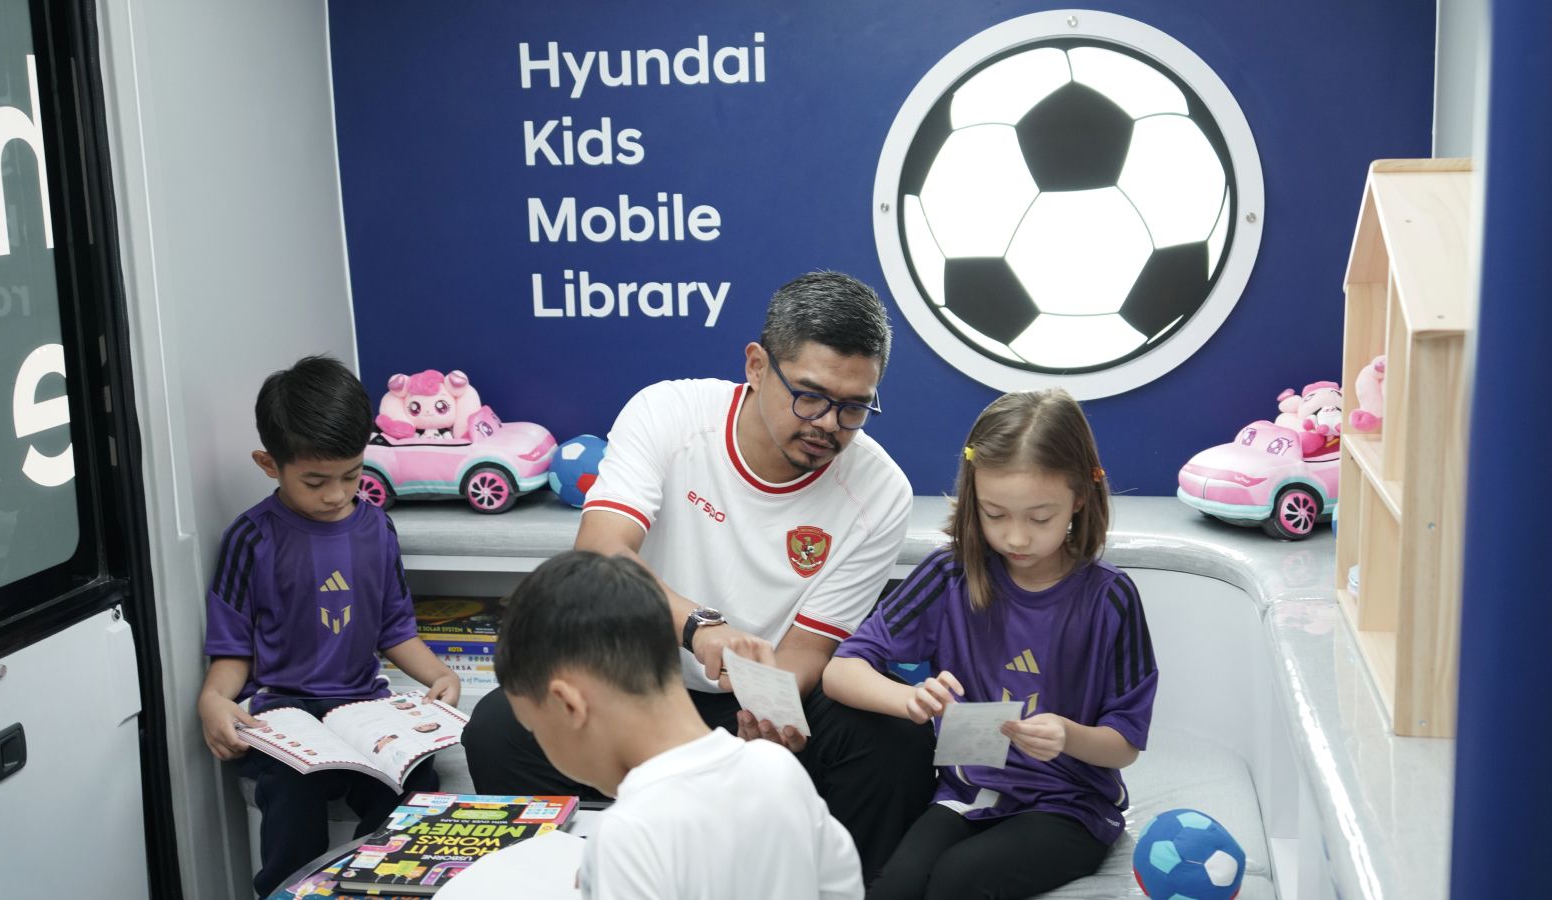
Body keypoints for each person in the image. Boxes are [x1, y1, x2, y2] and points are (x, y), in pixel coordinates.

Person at [463, 271, 933, 878]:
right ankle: (567, 875)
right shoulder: (670, 412)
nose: (827, 424)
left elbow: (810, 648)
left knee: (894, 752)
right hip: (647, 684)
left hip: (766, 697)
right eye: (810, 395)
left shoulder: (880, 490)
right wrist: (700, 629)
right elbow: (601, 551)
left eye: (853, 408)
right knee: (501, 729)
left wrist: (766, 721)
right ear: (758, 366)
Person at [822, 389, 1158, 899]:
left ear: (1082, 497)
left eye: (1039, 518)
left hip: (1070, 807)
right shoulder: (948, 574)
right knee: (896, 887)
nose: (1016, 538)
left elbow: (1125, 744)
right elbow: (841, 670)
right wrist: (908, 699)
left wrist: (1068, 736)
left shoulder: (1110, 598)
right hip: (965, 792)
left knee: (959, 881)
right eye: (994, 514)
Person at [194, 355, 461, 897]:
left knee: (416, 788)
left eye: (352, 475)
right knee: (292, 806)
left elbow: (395, 628)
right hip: (285, 715)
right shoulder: (252, 538)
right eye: (315, 481)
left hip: (364, 708)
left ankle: (372, 887)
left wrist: (439, 676)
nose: (337, 494)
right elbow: (233, 646)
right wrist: (212, 701)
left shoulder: (376, 528)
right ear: (269, 464)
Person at [498, 550, 864, 899]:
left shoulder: (626, 834)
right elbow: (841, 885)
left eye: (535, 729)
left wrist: (612, 872)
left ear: (568, 705)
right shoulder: (778, 768)